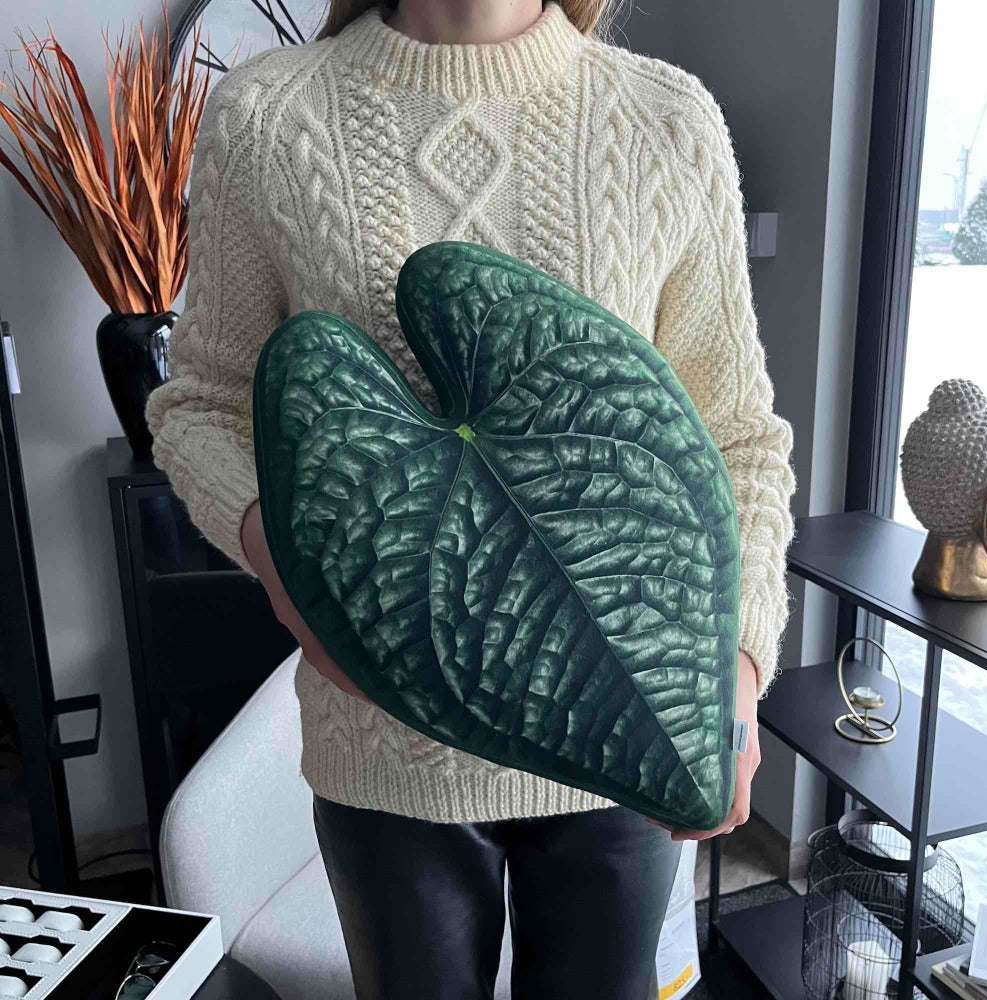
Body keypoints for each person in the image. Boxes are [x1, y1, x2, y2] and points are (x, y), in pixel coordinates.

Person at [145, 1, 797, 997]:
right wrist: (286, 575)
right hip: (383, 752)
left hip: (619, 722)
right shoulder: (269, 117)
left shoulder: (665, 121)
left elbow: (737, 437)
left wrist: (734, 671)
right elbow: (201, 404)